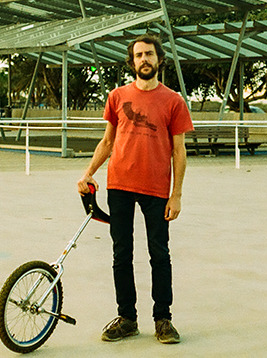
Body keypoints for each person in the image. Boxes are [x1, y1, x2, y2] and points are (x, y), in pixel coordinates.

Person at [77, 34, 193, 345]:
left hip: (156, 189)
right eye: (139, 55)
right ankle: (127, 318)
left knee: (160, 254)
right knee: (121, 254)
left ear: (159, 59)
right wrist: (88, 173)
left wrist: (177, 194)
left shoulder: (173, 101)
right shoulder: (117, 97)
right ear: (132, 62)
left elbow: (179, 151)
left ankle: (163, 319)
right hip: (120, 185)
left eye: (149, 54)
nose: (144, 59)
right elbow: (107, 141)